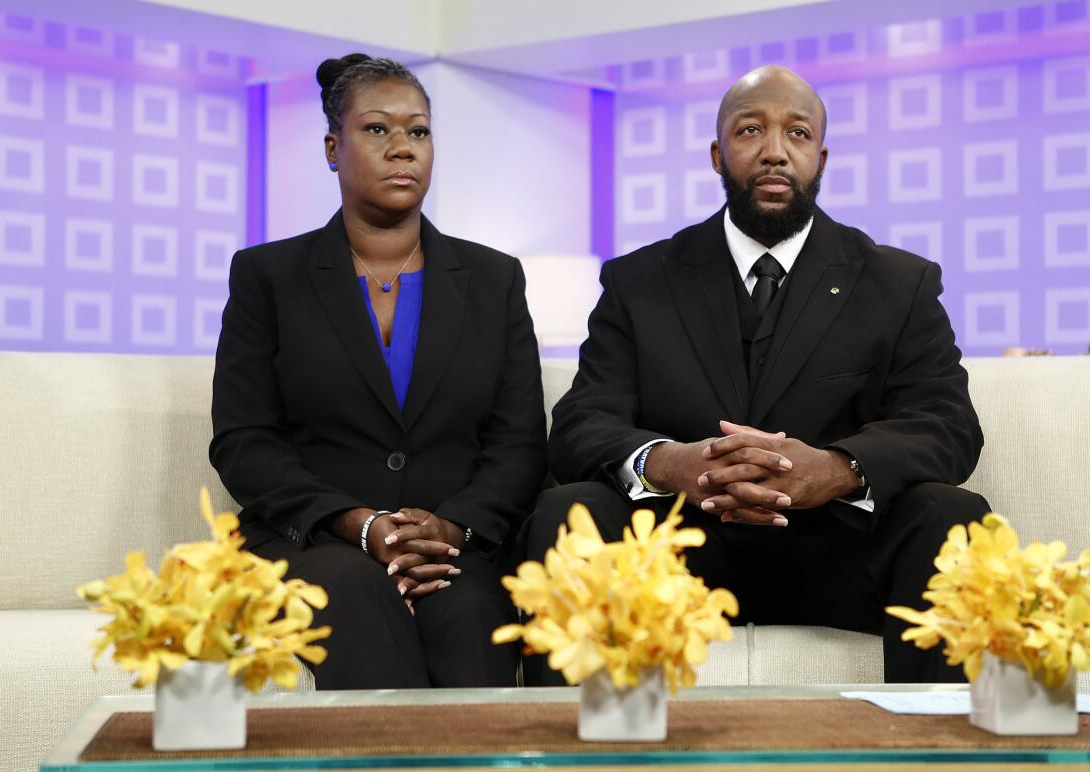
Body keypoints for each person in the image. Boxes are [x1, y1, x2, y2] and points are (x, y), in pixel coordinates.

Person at [521, 66, 990, 685]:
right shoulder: (640, 281)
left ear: (820, 158)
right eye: (750, 131)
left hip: (837, 550)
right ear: (718, 154)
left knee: (950, 515)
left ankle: (932, 753)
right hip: (676, 560)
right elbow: (582, 422)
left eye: (797, 134)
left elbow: (948, 424)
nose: (775, 151)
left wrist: (834, 470)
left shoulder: (898, 283)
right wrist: (670, 463)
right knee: (567, 508)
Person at [210, 55, 546, 689]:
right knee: (356, 593)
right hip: (313, 542)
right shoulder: (267, 277)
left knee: (468, 612)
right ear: (334, 148)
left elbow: (519, 442)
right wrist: (358, 525)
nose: (402, 148)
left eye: (418, 132)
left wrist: (449, 528)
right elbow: (244, 441)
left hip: (453, 548)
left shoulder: (494, 280)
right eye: (377, 130)